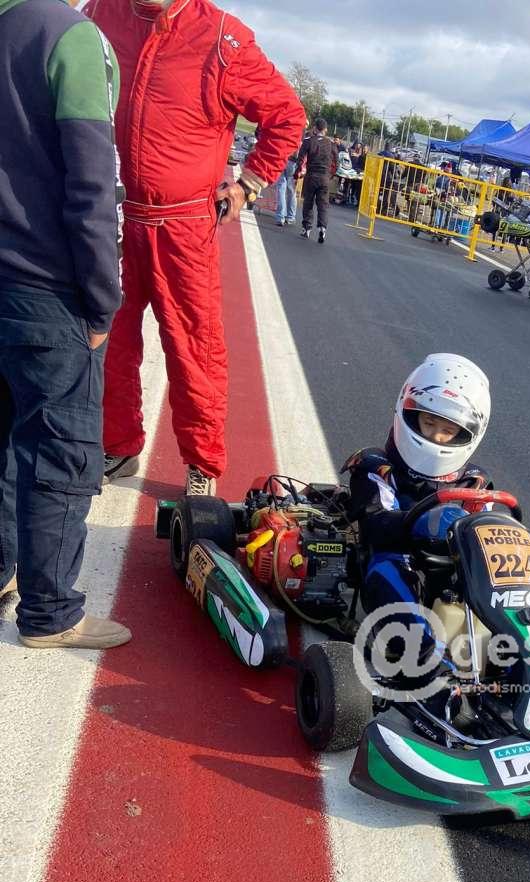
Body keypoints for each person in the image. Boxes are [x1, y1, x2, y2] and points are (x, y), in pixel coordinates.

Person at [87, 0, 305, 497]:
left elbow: (286, 116)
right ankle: (117, 443)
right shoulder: (100, 11)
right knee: (108, 338)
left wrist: (248, 184)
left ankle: (202, 463)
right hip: (112, 215)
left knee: (194, 353)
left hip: (184, 228)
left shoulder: (223, 38)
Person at [0, 0, 130, 650]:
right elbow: (92, 186)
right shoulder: (70, 37)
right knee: (59, 449)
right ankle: (50, 613)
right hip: (46, 284)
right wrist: (102, 298)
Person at [343, 354, 491, 623]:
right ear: (410, 413)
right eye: (429, 423)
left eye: (448, 430)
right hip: (396, 558)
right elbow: (376, 526)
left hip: (457, 572)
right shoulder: (376, 466)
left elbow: (490, 534)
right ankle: (422, 646)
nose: (436, 436)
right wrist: (428, 523)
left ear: (466, 433)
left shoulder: (474, 481)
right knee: (388, 570)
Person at [296, 118, 337, 243]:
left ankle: (306, 228)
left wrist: (298, 172)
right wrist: (331, 175)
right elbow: (336, 162)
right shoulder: (331, 144)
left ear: (315, 128)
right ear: (326, 130)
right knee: (323, 204)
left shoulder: (308, 141)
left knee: (308, 202)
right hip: (324, 177)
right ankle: (322, 228)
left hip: (311, 176)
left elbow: (301, 159)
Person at [275, 152, 298, 226]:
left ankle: (280, 217)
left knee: (281, 189)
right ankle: (290, 217)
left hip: (282, 159)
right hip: (294, 162)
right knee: (291, 191)